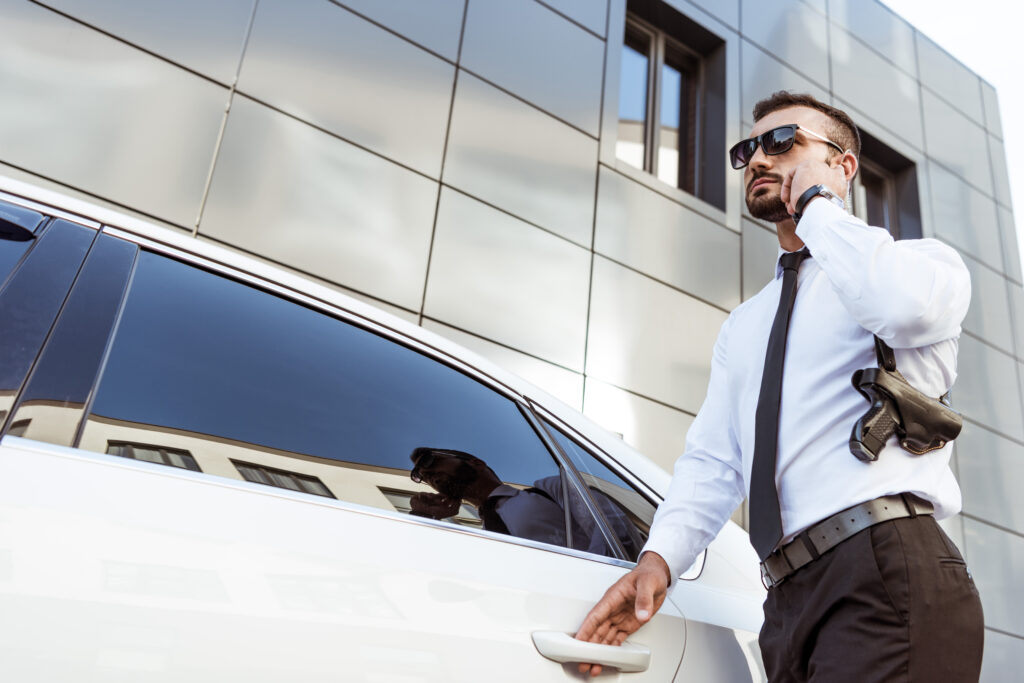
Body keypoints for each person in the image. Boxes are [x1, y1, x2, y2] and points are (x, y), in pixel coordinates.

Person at [575, 91, 984, 682]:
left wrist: (817, 204)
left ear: (843, 165)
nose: (759, 158)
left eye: (784, 141)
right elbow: (714, 460)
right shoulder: (745, 324)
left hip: (887, 565)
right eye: (749, 149)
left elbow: (899, 306)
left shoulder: (916, 265)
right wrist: (658, 560)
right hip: (788, 598)